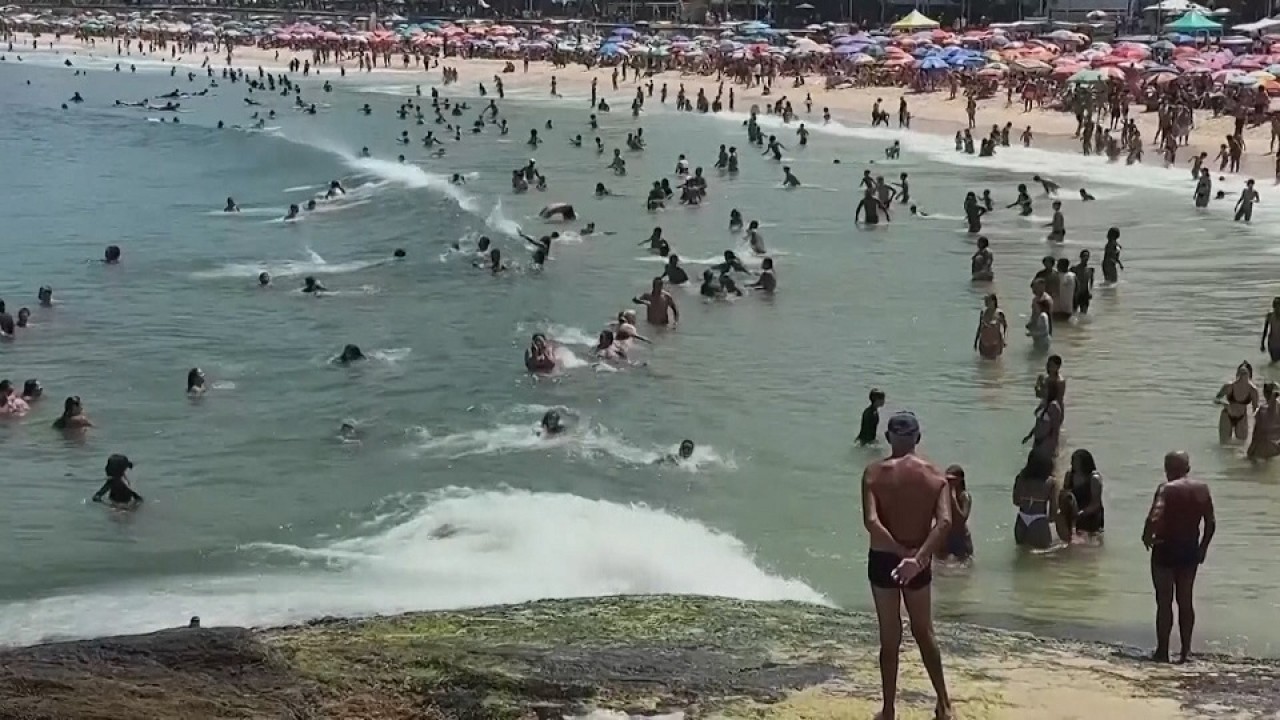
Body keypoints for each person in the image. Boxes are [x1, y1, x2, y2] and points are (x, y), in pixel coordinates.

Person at [860, 411, 953, 720]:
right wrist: (916, 558)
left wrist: (898, 552)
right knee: (924, 632)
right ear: (918, 438)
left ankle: (888, 710)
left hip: (884, 557)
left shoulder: (873, 474)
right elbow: (944, 523)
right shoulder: (936, 477)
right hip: (918, 558)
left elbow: (871, 522)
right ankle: (944, 704)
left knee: (890, 637)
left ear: (888, 438)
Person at [1142, 451, 1215, 664]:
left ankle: (1163, 652)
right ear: (1188, 468)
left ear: (1167, 469)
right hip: (1189, 550)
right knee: (1185, 601)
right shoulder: (1202, 489)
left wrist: (1147, 534)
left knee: (1164, 602)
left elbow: (1156, 513)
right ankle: (1185, 652)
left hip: (1165, 549)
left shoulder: (1166, 489)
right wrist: (1203, 548)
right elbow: (1210, 522)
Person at [1012, 447, 1059, 550]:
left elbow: (1015, 501)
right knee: (1043, 560)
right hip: (1039, 520)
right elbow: (1053, 512)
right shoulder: (1051, 482)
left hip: (1021, 520)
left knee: (1021, 558)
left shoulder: (1021, 478)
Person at [1059, 449, 1104, 540]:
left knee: (1092, 542)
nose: (1072, 464)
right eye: (1072, 461)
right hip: (1074, 513)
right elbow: (1065, 494)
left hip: (1092, 516)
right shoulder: (1069, 475)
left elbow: (1096, 504)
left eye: (1075, 461)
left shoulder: (1094, 478)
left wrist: (1081, 513)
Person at [1214, 361, 1258, 443]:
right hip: (1227, 415)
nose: (1242, 375)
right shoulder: (1229, 386)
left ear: (1249, 374)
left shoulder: (1253, 390)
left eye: (1245, 373)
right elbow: (1216, 399)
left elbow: (1255, 408)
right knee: (1224, 446)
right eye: (1240, 372)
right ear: (1237, 373)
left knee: (1241, 445)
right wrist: (1224, 403)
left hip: (1242, 417)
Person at [939, 465, 973, 563]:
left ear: (960, 480)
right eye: (946, 479)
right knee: (941, 568)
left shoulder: (964, 497)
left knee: (963, 568)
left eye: (951, 480)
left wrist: (953, 499)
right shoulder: (942, 495)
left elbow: (962, 520)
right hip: (946, 537)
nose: (948, 483)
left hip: (961, 538)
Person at [1248, 381, 1280, 461]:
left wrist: (1250, 454)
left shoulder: (1262, 410)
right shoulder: (1262, 410)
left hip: (1264, 448)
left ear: (1265, 394)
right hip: (1275, 449)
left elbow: (1256, 435)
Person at [973, 294, 1007, 359]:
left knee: (994, 366)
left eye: (987, 301)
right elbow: (980, 327)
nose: (985, 302)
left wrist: (1004, 340)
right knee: (983, 365)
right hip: (983, 343)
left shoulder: (999, 313)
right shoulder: (983, 312)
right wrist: (975, 341)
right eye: (985, 301)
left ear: (993, 301)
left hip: (995, 344)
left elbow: (1005, 327)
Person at [1260, 297, 1280, 362]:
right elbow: (1265, 331)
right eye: (1276, 306)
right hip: (1272, 344)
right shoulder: (1270, 316)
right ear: (1273, 306)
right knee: (1274, 362)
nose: (1278, 308)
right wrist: (1262, 343)